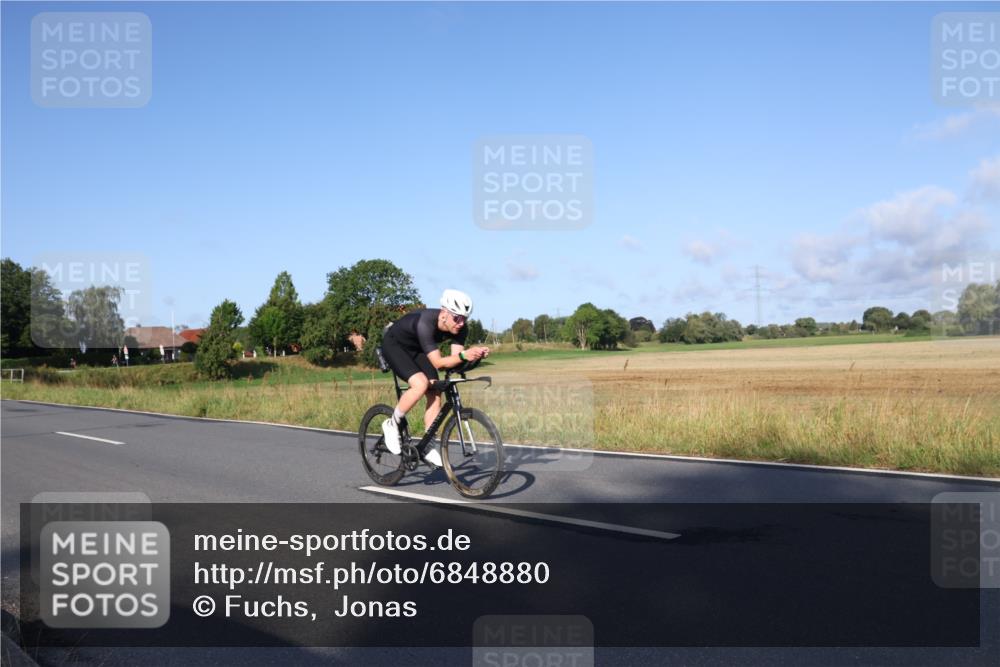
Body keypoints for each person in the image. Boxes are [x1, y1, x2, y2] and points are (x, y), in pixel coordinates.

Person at [380, 289, 490, 467]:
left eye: (465, 318)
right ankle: (391, 424)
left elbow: (455, 362)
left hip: (417, 350)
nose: (461, 323)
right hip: (395, 345)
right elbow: (439, 363)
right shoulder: (426, 323)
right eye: (457, 318)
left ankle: (427, 446)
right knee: (420, 384)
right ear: (444, 313)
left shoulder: (461, 328)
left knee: (435, 390)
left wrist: (475, 357)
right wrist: (464, 356)